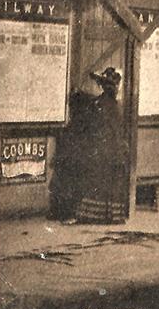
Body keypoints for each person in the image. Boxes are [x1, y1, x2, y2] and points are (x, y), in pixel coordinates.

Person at [54, 67, 132, 224]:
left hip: (100, 152)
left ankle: (90, 215)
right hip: (115, 154)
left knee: (91, 178)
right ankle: (111, 215)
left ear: (102, 86)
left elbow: (90, 126)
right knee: (109, 183)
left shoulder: (98, 105)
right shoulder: (117, 107)